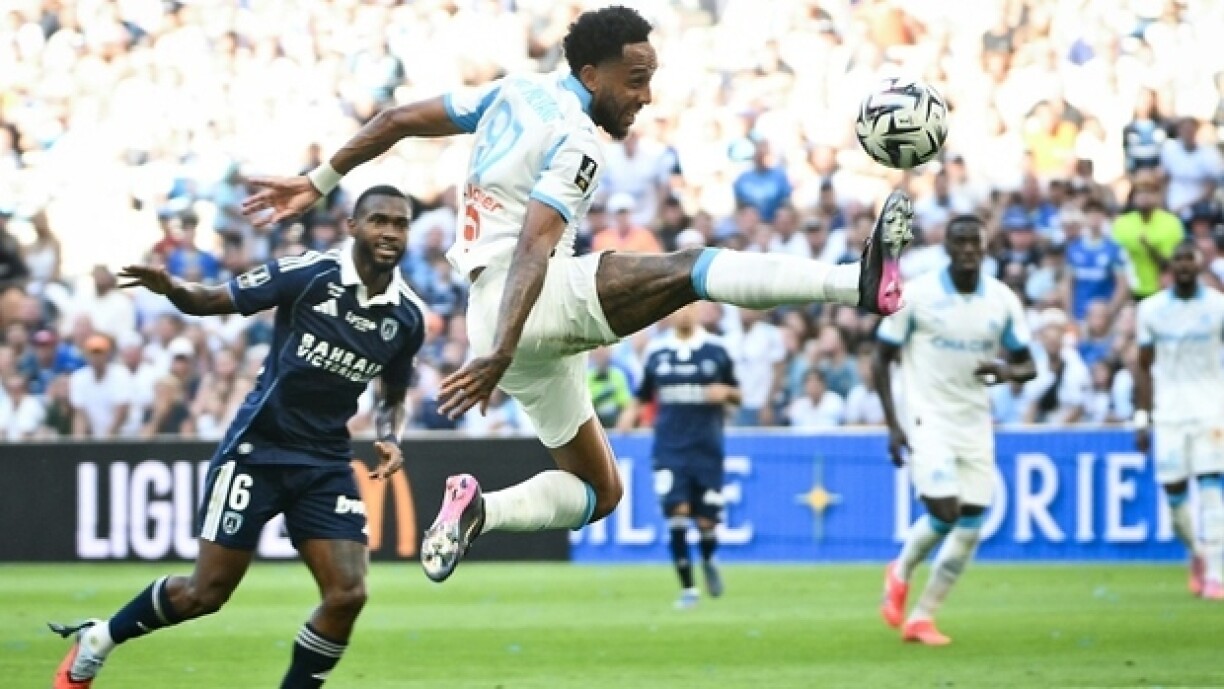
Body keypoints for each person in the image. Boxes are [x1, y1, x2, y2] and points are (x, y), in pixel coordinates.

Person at [241, 5, 913, 584]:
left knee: (601, 490)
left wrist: (321, 179)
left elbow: (395, 118)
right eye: (635, 80)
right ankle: (853, 282)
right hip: (525, 303)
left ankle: (481, 509)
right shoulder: (577, 138)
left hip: (498, 311)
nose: (645, 96)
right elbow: (534, 244)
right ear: (592, 75)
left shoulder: (514, 90)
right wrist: (503, 351)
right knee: (688, 267)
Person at [50, 185, 429, 689]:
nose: (390, 232)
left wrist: (390, 435)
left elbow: (394, 390)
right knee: (204, 594)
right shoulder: (306, 274)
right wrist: (172, 288)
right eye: (379, 220)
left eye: (400, 223)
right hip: (257, 451)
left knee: (348, 594)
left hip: (326, 462)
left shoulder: (408, 314)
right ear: (352, 227)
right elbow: (212, 299)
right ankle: (100, 638)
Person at [873, 214, 1036, 645]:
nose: (967, 250)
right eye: (959, 242)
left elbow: (1029, 365)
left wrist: (1006, 370)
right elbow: (881, 357)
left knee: (971, 524)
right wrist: (893, 424)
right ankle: (901, 570)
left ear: (985, 249)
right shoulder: (918, 295)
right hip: (927, 416)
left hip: (974, 421)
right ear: (946, 248)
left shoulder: (1001, 300)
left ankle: (923, 617)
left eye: (974, 243)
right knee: (944, 510)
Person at [629, 302, 739, 609]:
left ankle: (709, 558)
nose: (684, 313)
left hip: (707, 448)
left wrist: (726, 393)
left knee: (706, 522)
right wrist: (630, 415)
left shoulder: (717, 350)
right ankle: (688, 589)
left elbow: (738, 393)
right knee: (676, 512)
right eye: (678, 308)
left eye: (690, 307)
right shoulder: (656, 352)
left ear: (699, 311)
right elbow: (643, 395)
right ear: (670, 314)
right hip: (669, 449)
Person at [1133, 239, 1224, 600]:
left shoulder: (1218, 306)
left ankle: (1217, 575)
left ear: (1200, 264)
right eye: (1179, 260)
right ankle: (1199, 555)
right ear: (1171, 267)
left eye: (1190, 259)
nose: (1185, 265)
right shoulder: (1151, 310)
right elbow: (1143, 367)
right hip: (1169, 414)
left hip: (1211, 411)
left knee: (1212, 492)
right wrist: (1142, 417)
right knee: (1174, 500)